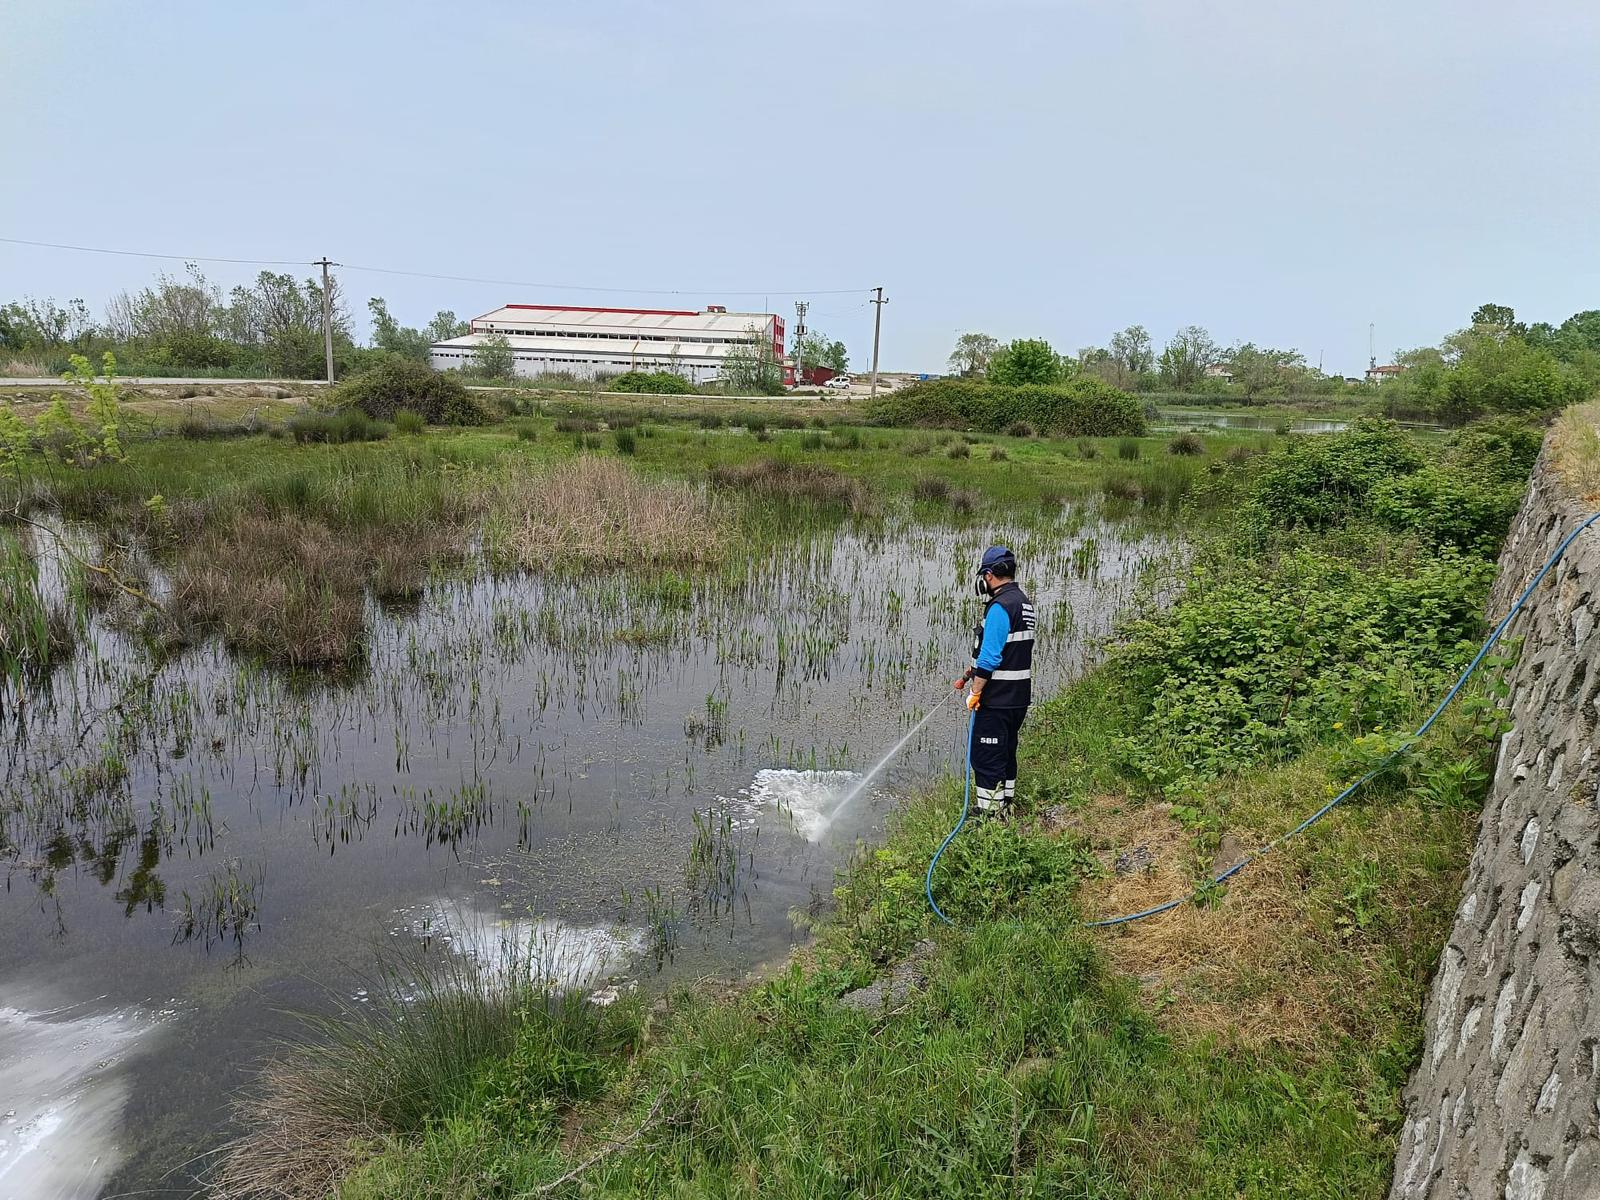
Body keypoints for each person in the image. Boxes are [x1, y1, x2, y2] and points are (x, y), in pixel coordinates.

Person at [953, 545, 1035, 817]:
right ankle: (1005, 807)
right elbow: (1006, 649)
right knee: (1006, 752)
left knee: (986, 757)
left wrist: (976, 692)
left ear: (988, 575)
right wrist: (968, 675)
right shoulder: (1022, 602)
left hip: (997, 699)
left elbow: (990, 658)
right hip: (1017, 698)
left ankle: (988, 819)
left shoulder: (1000, 607)